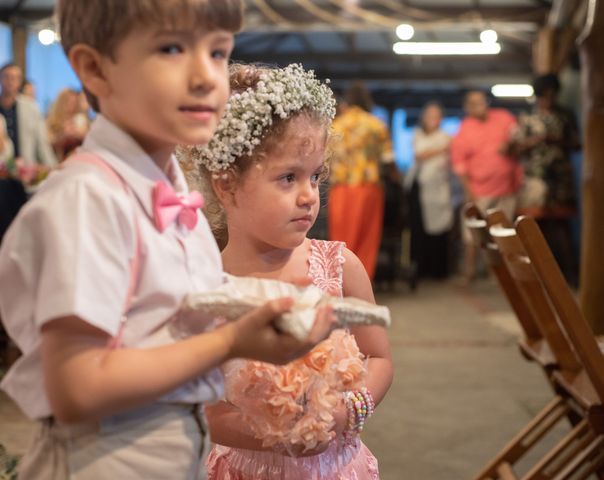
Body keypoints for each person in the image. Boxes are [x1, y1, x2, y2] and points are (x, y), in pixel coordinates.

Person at [0, 2, 334, 479]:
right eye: (172, 49)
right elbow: (77, 390)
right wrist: (230, 342)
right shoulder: (88, 199)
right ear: (95, 69)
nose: (205, 77)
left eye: (218, 52)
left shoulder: (174, 197)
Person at [181, 63, 393, 479]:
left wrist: (348, 412)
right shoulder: (204, 289)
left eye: (315, 176)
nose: (308, 196)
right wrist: (279, 434)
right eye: (288, 178)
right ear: (226, 185)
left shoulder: (339, 268)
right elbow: (207, 410)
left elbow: (380, 356)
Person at [510, 73, 580, 285]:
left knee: (561, 226)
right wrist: (534, 141)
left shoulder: (565, 116)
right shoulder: (527, 117)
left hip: (559, 177)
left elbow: (577, 144)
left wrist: (557, 140)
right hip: (535, 178)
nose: (549, 98)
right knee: (535, 226)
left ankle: (569, 274)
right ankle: (537, 273)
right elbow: (515, 148)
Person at [450, 90, 521, 284]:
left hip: (507, 188)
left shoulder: (504, 118)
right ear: (467, 107)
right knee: (472, 234)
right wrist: (468, 192)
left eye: (482, 101)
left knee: (503, 232)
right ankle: (470, 271)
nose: (480, 105)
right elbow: (459, 165)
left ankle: (501, 273)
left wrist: (510, 146)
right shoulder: (464, 130)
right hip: (479, 189)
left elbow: (519, 140)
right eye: (474, 103)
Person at [328, 81, 395, 280]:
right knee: (367, 236)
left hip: (340, 187)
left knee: (341, 236)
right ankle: (362, 282)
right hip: (368, 187)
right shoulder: (376, 124)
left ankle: (337, 282)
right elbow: (388, 159)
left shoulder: (336, 125)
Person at [404, 102, 453, 280]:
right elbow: (419, 154)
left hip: (438, 188)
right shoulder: (418, 135)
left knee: (440, 229)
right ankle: (420, 268)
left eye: (436, 116)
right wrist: (441, 149)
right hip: (419, 187)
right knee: (419, 229)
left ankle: (439, 270)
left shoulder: (445, 137)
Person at [0, 63, 56, 168]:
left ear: (20, 82)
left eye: (15, 78)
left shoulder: (31, 107)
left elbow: (41, 142)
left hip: (25, 169)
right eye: (7, 77)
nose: (11, 82)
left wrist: (52, 167)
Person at [47, 88, 85, 161]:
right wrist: (63, 135)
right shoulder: (52, 121)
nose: (72, 106)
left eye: (74, 102)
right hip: (56, 160)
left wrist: (78, 134)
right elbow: (47, 144)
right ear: (61, 103)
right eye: (68, 102)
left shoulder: (80, 119)